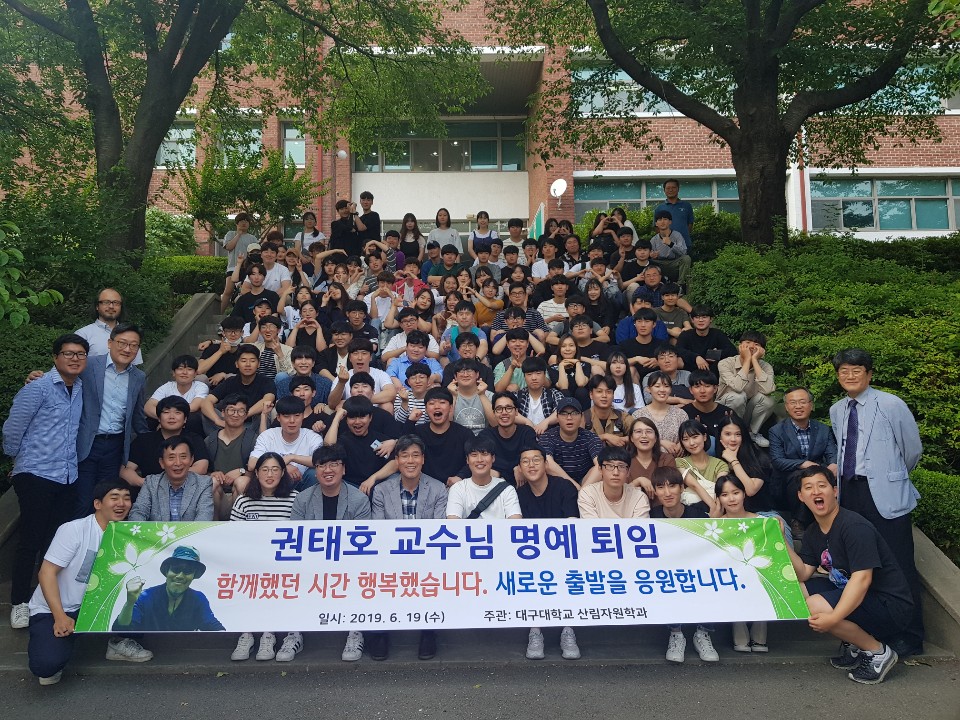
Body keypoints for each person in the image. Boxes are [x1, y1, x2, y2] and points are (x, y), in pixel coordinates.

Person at [829, 348, 924, 656]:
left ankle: (911, 635)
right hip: (850, 492)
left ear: (869, 374)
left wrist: (891, 476)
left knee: (899, 562)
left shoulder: (891, 404)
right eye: (844, 371)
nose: (850, 376)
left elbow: (912, 450)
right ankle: (871, 632)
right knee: (859, 564)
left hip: (884, 493)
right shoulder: (837, 410)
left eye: (857, 370)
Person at [784, 466, 914, 685]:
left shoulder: (854, 526)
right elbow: (803, 573)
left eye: (822, 485)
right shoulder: (813, 532)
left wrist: (833, 619)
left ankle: (878, 652)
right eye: (808, 487)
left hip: (890, 605)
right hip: (857, 595)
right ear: (801, 496)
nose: (816, 491)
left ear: (834, 491)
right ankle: (855, 644)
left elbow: (862, 579)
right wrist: (782, 540)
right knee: (797, 590)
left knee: (816, 606)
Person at [27, 480, 152, 684]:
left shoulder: (129, 532)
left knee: (145, 595)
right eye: (114, 497)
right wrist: (60, 617)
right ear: (97, 504)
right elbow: (46, 572)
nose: (121, 503)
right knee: (46, 665)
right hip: (58, 608)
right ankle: (56, 642)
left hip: (97, 604)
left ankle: (120, 641)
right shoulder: (74, 530)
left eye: (126, 498)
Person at [5, 334, 89, 630]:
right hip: (36, 473)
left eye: (80, 354)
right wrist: (19, 462)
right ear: (55, 357)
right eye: (68, 353)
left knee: (55, 542)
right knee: (31, 539)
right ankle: (19, 602)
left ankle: (44, 600)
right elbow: (13, 428)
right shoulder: (37, 387)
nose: (75, 359)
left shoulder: (81, 388)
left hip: (67, 476)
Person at [369, 435, 447, 660]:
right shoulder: (382, 490)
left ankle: (428, 631)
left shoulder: (438, 488)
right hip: (391, 555)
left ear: (423, 459)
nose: (410, 461)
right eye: (404, 456)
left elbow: (439, 529)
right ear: (397, 460)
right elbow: (379, 531)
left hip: (427, 555)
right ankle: (381, 632)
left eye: (415, 455)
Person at [291, 444, 371, 662]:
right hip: (311, 563)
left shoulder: (358, 499)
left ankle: (355, 632)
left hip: (349, 564)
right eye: (321, 465)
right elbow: (296, 539)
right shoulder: (303, 499)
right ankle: (294, 634)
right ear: (315, 470)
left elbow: (362, 543)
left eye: (334, 464)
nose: (328, 470)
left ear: (343, 469)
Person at [230, 453, 303, 663]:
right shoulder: (244, 500)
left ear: (283, 472)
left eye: (275, 469)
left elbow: (301, 536)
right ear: (256, 473)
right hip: (251, 563)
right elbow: (233, 537)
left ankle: (268, 634)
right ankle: (247, 634)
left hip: (285, 563)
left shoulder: (295, 498)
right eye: (265, 469)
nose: (269, 475)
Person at [515, 445, 581, 661]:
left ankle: (568, 629)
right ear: (520, 468)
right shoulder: (518, 494)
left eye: (536, 460)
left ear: (545, 464)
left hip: (564, 553)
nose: (531, 465)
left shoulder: (564, 487)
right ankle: (535, 630)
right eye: (525, 461)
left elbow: (572, 525)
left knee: (568, 572)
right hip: (531, 557)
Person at [651, 466, 717, 664]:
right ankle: (676, 634)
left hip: (696, 571)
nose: (667, 492)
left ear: (681, 488)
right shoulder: (650, 517)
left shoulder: (699, 517)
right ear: (655, 491)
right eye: (661, 487)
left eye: (672, 486)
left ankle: (702, 633)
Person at [769, 387, 839, 535]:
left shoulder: (823, 429)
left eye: (802, 402)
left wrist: (833, 464)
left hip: (817, 474)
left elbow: (832, 453)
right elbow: (777, 460)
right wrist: (803, 464)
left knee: (828, 476)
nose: (798, 406)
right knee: (800, 477)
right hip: (788, 480)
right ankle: (799, 521)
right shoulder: (776, 431)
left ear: (811, 405)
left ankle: (832, 516)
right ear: (786, 407)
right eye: (793, 403)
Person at [711, 475, 768, 652]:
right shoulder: (715, 526)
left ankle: (759, 632)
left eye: (735, 492)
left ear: (744, 494)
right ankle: (739, 628)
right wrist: (712, 520)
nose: (731, 498)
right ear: (718, 499)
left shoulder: (761, 522)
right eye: (725, 495)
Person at [113, 546, 224, 632]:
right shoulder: (146, 597)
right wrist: (130, 603)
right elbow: (120, 631)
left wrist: (228, 640)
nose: (180, 576)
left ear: (193, 576)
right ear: (167, 572)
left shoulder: (198, 599)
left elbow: (213, 626)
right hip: (144, 651)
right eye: (176, 569)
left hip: (182, 653)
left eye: (188, 571)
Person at [120, 396, 210, 494]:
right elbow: (126, 470)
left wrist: (168, 480)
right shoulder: (144, 440)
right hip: (151, 491)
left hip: (187, 490)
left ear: (185, 419)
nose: (171, 417)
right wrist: (146, 483)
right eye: (166, 412)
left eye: (177, 413)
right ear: (159, 418)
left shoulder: (195, 439)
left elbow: (201, 467)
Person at [127, 437, 215, 522]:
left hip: (192, 532)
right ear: (162, 462)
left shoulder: (204, 484)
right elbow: (138, 512)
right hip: (157, 532)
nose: (178, 463)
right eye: (171, 457)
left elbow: (204, 517)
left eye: (183, 457)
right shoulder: (151, 483)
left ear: (191, 460)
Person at [248, 395, 323, 492]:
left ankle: (307, 501)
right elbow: (251, 464)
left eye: (297, 416)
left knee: (314, 473)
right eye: (286, 416)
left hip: (302, 483)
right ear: (278, 417)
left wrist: (291, 457)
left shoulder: (312, 437)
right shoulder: (268, 435)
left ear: (302, 416)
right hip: (274, 483)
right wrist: (282, 467)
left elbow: (321, 461)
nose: (292, 421)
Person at [717, 331, 776, 447]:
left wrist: (754, 361)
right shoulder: (725, 363)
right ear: (740, 346)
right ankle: (734, 432)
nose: (752, 346)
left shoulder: (766, 366)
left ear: (762, 350)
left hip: (748, 410)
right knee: (738, 396)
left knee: (769, 400)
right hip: (725, 408)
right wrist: (747, 360)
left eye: (757, 344)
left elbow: (768, 390)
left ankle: (752, 433)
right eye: (747, 343)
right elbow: (738, 387)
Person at [205, 394, 259, 520]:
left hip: (242, 495)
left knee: (243, 481)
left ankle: (239, 526)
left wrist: (242, 471)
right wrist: (212, 474)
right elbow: (201, 472)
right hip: (218, 495)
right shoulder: (210, 440)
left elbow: (260, 472)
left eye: (241, 411)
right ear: (223, 413)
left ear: (246, 415)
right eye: (231, 410)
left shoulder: (253, 439)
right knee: (210, 482)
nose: (235, 415)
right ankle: (212, 527)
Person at [200, 344, 276, 433]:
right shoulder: (230, 381)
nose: (248, 364)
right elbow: (207, 401)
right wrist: (217, 420)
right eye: (243, 361)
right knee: (207, 412)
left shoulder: (266, 381)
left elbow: (268, 400)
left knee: (264, 414)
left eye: (252, 361)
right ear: (236, 364)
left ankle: (249, 440)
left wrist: (244, 414)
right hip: (229, 424)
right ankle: (217, 439)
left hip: (251, 425)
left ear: (258, 364)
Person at [446, 435, 522, 519]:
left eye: (484, 454)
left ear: (493, 458)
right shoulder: (458, 489)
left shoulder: (507, 490)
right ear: (467, 460)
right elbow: (453, 523)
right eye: (474, 455)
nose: (479, 460)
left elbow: (515, 523)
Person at [413, 388, 473, 485]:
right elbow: (403, 453)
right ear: (426, 409)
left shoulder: (465, 434)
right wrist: (410, 422)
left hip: (457, 486)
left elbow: (474, 460)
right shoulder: (417, 432)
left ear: (451, 408)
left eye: (442, 402)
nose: (437, 407)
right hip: (424, 486)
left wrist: (460, 476)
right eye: (432, 403)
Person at [538, 398, 602, 486]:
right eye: (564, 413)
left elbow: (600, 465)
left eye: (574, 413)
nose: (569, 418)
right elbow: (548, 465)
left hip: (586, 483)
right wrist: (576, 488)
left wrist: (583, 491)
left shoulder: (590, 437)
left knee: (601, 466)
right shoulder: (547, 437)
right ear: (557, 417)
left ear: (582, 416)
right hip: (557, 484)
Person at [578, 446, 651, 518]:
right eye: (610, 466)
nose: (616, 473)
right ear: (600, 469)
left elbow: (638, 525)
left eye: (621, 466)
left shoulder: (639, 498)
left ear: (628, 472)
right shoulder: (588, 494)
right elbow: (591, 525)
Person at [75, 288, 144, 364]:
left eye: (116, 303)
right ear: (97, 306)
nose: (111, 306)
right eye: (106, 302)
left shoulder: (131, 335)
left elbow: (135, 366)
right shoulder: (83, 335)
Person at [675, 420, 729, 511]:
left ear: (704, 437)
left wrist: (716, 512)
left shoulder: (720, 464)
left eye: (695, 437)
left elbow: (720, 490)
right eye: (685, 439)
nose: (691, 443)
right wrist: (713, 507)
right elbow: (695, 486)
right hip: (691, 512)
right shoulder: (679, 462)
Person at [632, 371, 689, 457]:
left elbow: (687, 437)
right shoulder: (638, 415)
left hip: (676, 461)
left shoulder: (681, 414)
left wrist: (682, 443)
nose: (662, 390)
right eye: (657, 386)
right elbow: (634, 440)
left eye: (666, 386)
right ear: (648, 389)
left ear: (670, 389)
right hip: (648, 460)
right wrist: (660, 442)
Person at [621, 416, 676, 494]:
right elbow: (618, 493)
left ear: (655, 438)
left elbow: (671, 490)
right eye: (638, 431)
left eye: (649, 431)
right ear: (631, 438)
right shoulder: (623, 462)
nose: (644, 436)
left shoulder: (666, 459)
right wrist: (637, 482)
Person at [145, 355, 208, 420]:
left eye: (189, 369)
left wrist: (170, 416)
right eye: (180, 369)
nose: (184, 372)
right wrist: (166, 419)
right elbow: (148, 407)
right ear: (173, 373)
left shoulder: (201, 387)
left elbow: (194, 407)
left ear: (195, 373)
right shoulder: (167, 387)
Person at [676, 306, 737, 371]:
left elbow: (732, 351)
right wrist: (696, 357)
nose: (701, 320)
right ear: (692, 320)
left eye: (704, 317)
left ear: (711, 319)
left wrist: (715, 354)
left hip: (713, 371)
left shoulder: (717, 334)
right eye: (697, 317)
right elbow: (678, 350)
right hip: (691, 371)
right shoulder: (685, 335)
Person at [219, 213, 258, 311]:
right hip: (233, 266)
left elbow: (256, 253)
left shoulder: (252, 238)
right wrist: (239, 234)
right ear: (237, 223)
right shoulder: (230, 234)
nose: (244, 223)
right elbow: (229, 247)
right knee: (228, 291)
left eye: (246, 221)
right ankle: (219, 313)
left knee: (246, 291)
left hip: (248, 267)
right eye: (241, 221)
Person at [650, 210, 691, 287]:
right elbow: (650, 254)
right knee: (649, 261)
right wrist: (651, 255)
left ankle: (680, 285)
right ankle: (654, 286)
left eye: (665, 219)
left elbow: (684, 252)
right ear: (656, 223)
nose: (662, 222)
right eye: (659, 220)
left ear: (670, 222)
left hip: (674, 263)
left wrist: (671, 244)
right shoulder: (653, 239)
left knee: (686, 258)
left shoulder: (677, 235)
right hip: (660, 264)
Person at [654, 179, 695, 250]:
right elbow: (656, 227)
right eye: (668, 188)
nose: (671, 190)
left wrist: (681, 237)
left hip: (685, 244)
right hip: (665, 246)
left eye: (673, 187)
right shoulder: (659, 208)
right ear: (664, 190)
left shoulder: (687, 206)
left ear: (678, 189)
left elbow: (690, 224)